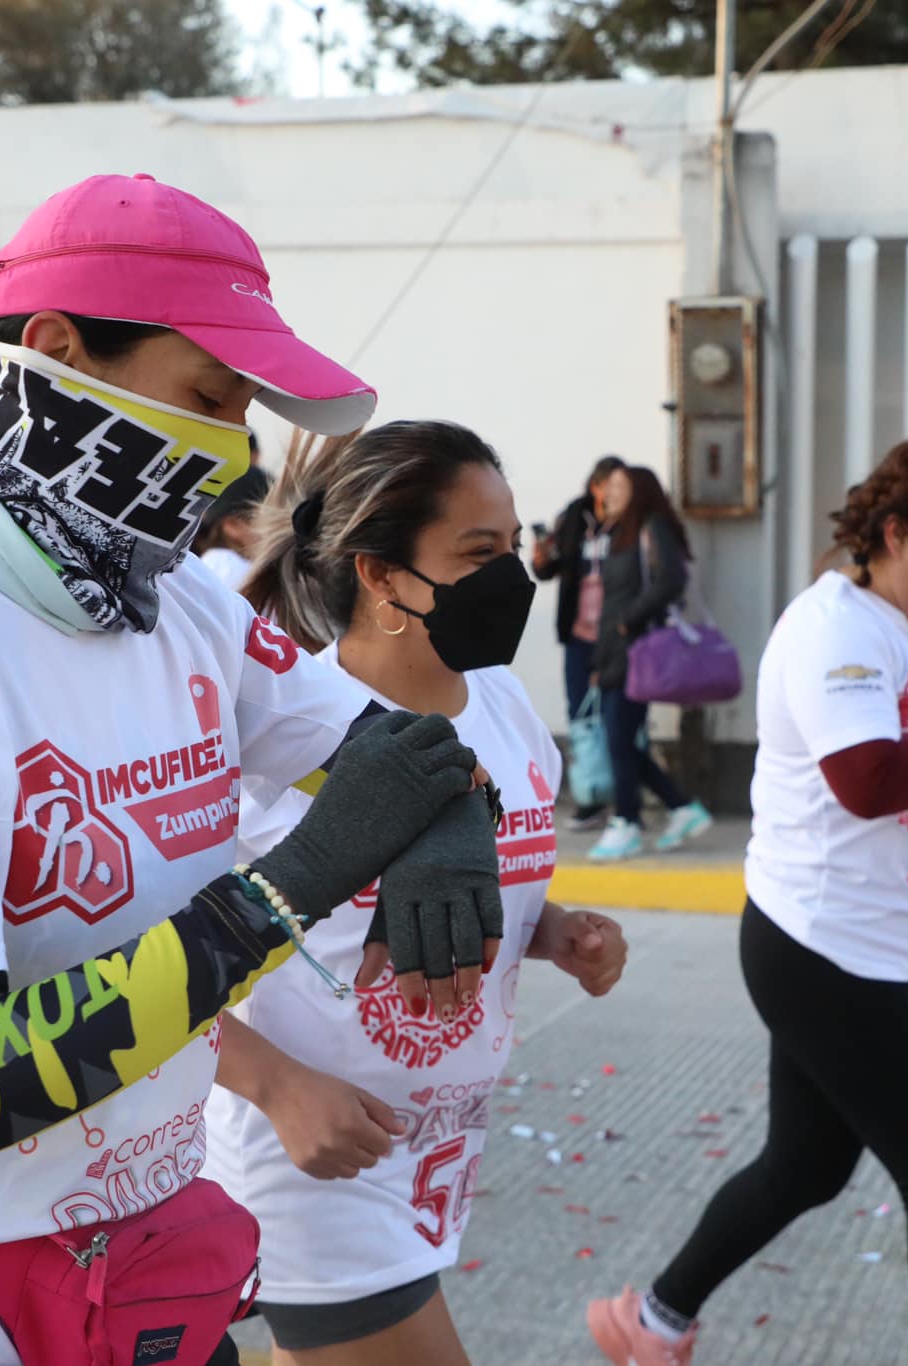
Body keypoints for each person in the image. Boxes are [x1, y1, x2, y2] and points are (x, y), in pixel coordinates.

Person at [0, 173, 507, 1366]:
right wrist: (285, 891)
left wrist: (447, 825)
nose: (231, 453)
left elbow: (397, 749)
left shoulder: (177, 601)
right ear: (59, 355)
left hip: (126, 1272)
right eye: (207, 398)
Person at [586, 436, 908, 1366]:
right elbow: (870, 778)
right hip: (820, 955)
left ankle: (651, 1322)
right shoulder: (835, 631)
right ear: (897, 533)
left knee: (806, 1167)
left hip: (864, 949)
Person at [204, 420, 631, 1365]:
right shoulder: (274, 746)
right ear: (382, 574)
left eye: (515, 546)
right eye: (479, 553)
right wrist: (278, 1091)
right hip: (316, 1163)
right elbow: (156, 959)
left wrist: (554, 931)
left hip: (434, 1151)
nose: (512, 576)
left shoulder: (507, 708)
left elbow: (488, 891)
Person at [586, 465, 713, 861]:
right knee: (622, 741)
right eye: (610, 486)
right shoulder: (618, 533)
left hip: (637, 652)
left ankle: (626, 822)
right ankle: (680, 807)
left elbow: (670, 580)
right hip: (615, 651)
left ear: (639, 490)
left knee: (620, 741)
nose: (611, 492)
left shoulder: (651, 527)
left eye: (621, 486)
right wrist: (601, 654)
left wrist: (630, 620)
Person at [531, 454, 625, 830]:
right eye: (612, 486)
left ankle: (624, 801)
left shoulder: (629, 525)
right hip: (578, 635)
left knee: (619, 720)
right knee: (582, 719)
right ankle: (590, 799)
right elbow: (548, 570)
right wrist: (539, 557)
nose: (619, 494)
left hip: (617, 637)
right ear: (596, 486)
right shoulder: (572, 518)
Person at [196, 438, 272, 593]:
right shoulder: (229, 569)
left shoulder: (220, 563)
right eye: (271, 514)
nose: (283, 524)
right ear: (234, 525)